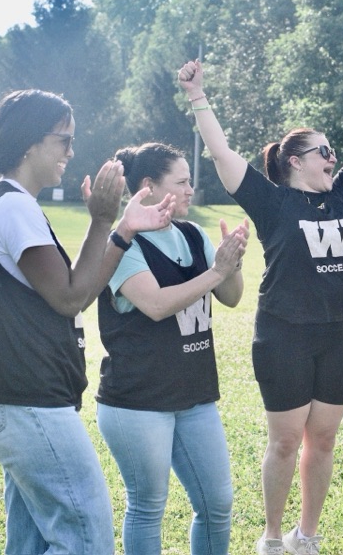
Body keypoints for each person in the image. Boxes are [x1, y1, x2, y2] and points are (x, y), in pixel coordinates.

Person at [177, 52, 343, 555]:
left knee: (322, 440)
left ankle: (308, 535)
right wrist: (197, 95)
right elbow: (221, 155)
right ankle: (274, 537)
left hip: (338, 334)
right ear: (295, 161)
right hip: (284, 335)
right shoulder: (272, 200)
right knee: (284, 441)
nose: (333, 157)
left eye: (332, 151)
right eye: (323, 151)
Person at [0, 88, 175, 554]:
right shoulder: (12, 206)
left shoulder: (9, 203)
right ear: (30, 143)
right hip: (27, 402)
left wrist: (122, 230)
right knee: (87, 537)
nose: (71, 153)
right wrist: (100, 220)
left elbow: (82, 288)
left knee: (32, 545)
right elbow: (70, 297)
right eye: (64, 140)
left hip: (18, 401)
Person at [95, 142, 250, 555]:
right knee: (148, 507)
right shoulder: (123, 246)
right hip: (138, 401)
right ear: (148, 186)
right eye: (181, 181)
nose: (190, 190)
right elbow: (157, 305)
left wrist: (230, 264)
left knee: (217, 505)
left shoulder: (191, 233)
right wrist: (215, 271)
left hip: (195, 395)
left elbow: (231, 297)